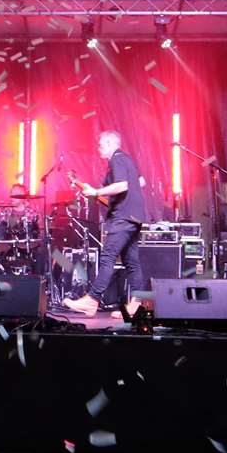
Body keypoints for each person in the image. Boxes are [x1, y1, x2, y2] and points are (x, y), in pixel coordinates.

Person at [65, 131, 147, 319]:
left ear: (110, 144)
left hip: (124, 217)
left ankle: (92, 300)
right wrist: (91, 191)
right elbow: (139, 182)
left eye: (101, 145)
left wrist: (96, 192)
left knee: (108, 255)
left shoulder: (117, 159)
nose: (98, 148)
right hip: (134, 217)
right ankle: (136, 306)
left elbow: (123, 186)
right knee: (132, 262)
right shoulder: (127, 160)